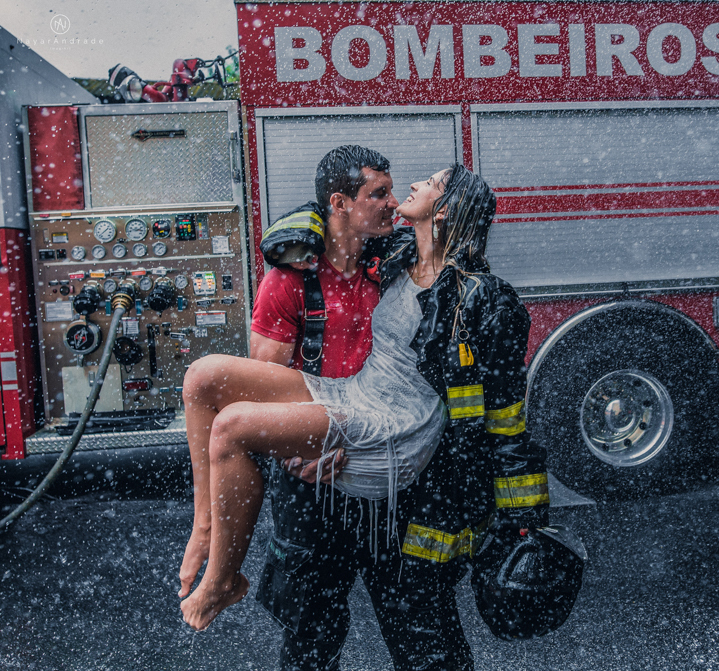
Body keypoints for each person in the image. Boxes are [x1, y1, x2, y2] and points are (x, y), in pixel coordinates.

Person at [178, 162, 550, 667]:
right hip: (358, 392)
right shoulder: (395, 254)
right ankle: (204, 527)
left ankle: (222, 581)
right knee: (203, 377)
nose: (410, 188)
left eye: (429, 184)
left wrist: (523, 523)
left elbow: (507, 420)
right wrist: (303, 234)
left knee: (232, 427)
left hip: (397, 423)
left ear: (444, 212)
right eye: (384, 191)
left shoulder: (484, 297)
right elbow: (331, 219)